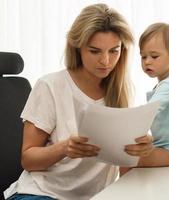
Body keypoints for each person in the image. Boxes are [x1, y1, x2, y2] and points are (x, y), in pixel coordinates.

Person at [4, 3, 153, 200]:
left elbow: (123, 168)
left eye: (114, 51)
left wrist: (138, 150)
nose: (105, 61)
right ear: (78, 47)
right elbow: (28, 160)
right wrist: (64, 148)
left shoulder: (120, 93)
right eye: (95, 51)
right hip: (40, 193)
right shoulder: (50, 85)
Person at [120, 23, 169, 175]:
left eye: (154, 56)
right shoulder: (168, 84)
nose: (147, 61)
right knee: (130, 155)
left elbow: (147, 112)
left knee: (126, 157)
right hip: (167, 149)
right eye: (143, 56)